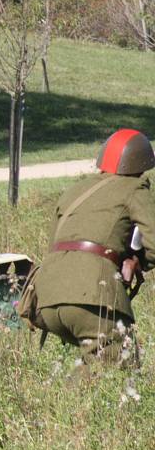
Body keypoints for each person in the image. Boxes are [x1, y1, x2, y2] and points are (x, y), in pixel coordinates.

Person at [32, 129, 155, 366]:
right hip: (89, 294)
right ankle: (64, 402)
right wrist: (140, 261)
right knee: (120, 365)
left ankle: (63, 400)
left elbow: (53, 245)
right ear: (142, 165)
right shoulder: (134, 188)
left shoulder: (75, 190)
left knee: (97, 364)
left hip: (47, 296)